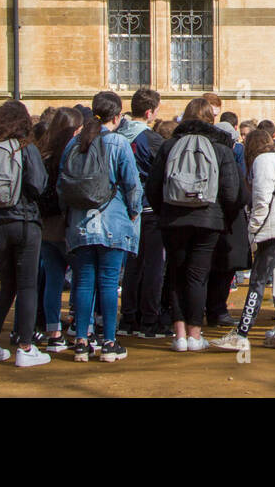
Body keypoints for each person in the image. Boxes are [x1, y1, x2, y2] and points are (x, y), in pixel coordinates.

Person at [147, 96, 243, 353]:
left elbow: (153, 186)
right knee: (198, 276)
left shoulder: (169, 146)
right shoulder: (221, 148)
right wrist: (224, 218)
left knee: (176, 274)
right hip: (208, 220)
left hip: (173, 218)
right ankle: (194, 334)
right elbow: (232, 192)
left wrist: (164, 211)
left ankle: (178, 335)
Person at [212, 128, 275, 352]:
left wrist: (253, 232)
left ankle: (242, 333)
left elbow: (261, 200)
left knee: (258, 280)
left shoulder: (263, 161)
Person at [0, 100, 51, 368]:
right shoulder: (25, 147)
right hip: (24, 222)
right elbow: (38, 184)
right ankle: (25, 347)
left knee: (7, 286)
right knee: (27, 285)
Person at [62, 91, 142, 362]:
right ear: (117, 116)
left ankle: (82, 341)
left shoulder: (74, 143)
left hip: (80, 222)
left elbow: (62, 183)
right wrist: (134, 212)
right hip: (112, 221)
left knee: (83, 283)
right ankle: (108, 341)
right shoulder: (119, 143)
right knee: (108, 283)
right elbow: (132, 184)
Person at [116, 88, 167, 338]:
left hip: (123, 209)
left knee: (132, 265)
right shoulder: (151, 139)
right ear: (149, 112)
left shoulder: (117, 135)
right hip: (148, 208)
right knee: (153, 265)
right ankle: (149, 320)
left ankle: (128, 318)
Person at [36, 106, 81, 352]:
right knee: (81, 278)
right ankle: (79, 326)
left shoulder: (42, 153)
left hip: (45, 225)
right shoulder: (72, 154)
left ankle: (53, 330)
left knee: (53, 279)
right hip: (67, 224)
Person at [207, 118, 251, 330]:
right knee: (224, 269)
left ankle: (200, 311)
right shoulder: (228, 158)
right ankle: (217, 310)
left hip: (204, 219)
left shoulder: (204, 154)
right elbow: (238, 194)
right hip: (226, 221)